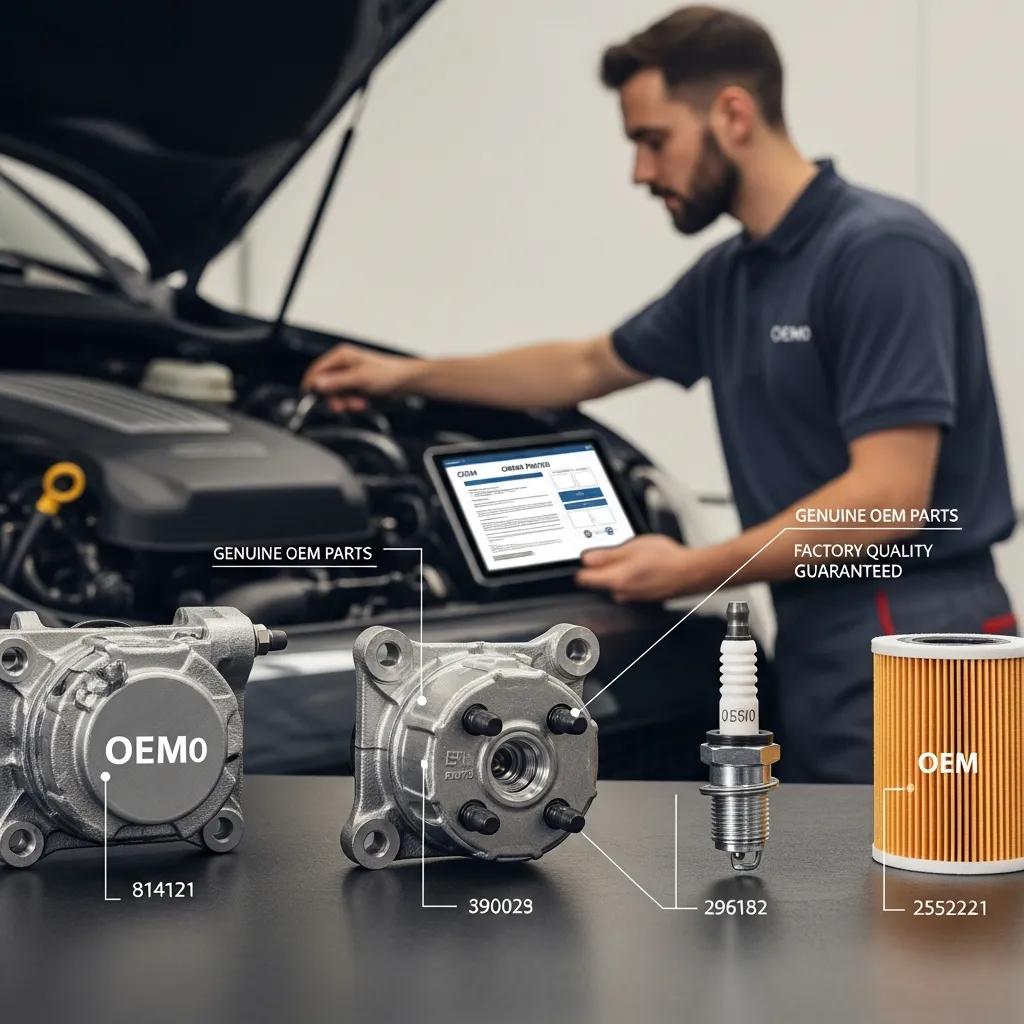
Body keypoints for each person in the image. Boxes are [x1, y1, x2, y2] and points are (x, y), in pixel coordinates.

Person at [302, 6, 1016, 783]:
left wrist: (691, 568)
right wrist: (403, 375)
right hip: (817, 629)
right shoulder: (730, 277)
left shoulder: (881, 254)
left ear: (733, 114)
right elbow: (583, 366)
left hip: (918, 628)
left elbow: (887, 498)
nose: (642, 173)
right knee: (841, 886)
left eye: (652, 140)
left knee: (934, 887)